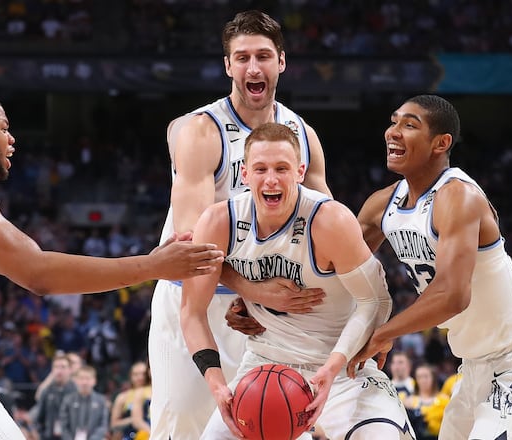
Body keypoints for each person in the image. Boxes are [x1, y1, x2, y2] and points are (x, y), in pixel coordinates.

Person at [0, 89, 225, 440]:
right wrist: (152, 266)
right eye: (4, 128)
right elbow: (38, 274)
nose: (12, 139)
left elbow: (26, 267)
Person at [148, 10, 330, 439]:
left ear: (281, 62)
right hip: (198, 305)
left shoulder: (302, 134)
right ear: (228, 65)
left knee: (273, 428)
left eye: (264, 56)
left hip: (269, 310)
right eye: (242, 57)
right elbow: (192, 250)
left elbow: (327, 232)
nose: (253, 67)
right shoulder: (202, 132)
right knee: (184, 429)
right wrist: (250, 290)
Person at [346, 94, 512, 439]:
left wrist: (382, 334)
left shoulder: (459, 197)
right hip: (473, 369)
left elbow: (453, 295)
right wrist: (259, 300)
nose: (393, 132)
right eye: (393, 122)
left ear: (441, 143)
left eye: (409, 125)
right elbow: (332, 269)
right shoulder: (382, 205)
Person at [181, 123, 414, 439]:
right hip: (264, 366)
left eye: (282, 168)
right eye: (260, 169)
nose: (271, 178)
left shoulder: (330, 220)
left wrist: (332, 367)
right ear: (245, 174)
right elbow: (192, 312)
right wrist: (218, 385)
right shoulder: (219, 221)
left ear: (301, 171)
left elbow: (376, 300)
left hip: (343, 369)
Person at [58, 366, 110, 440]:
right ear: (76, 380)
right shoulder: (68, 400)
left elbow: (103, 425)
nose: (84, 382)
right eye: (81, 378)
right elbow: (63, 425)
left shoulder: (101, 400)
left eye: (88, 378)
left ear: (94, 381)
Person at [35, 353, 77, 440]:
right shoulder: (47, 391)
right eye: (56, 367)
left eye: (63, 367)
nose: (59, 370)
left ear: (70, 369)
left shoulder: (77, 391)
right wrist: (43, 435)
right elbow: (39, 419)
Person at [402, 364, 449, 440]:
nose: (423, 380)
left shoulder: (445, 400)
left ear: (433, 378)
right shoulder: (408, 402)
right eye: (420, 377)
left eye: (426, 376)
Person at [110, 361, 151, 440]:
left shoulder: (155, 392)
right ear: (130, 376)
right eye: (136, 374)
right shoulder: (122, 397)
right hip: (130, 435)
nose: (140, 377)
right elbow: (114, 424)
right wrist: (133, 420)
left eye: (143, 374)